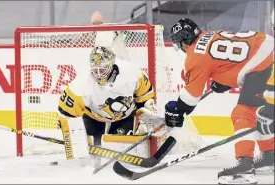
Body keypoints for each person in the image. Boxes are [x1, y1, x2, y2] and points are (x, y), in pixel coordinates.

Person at [164, 18, 274, 184]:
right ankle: (270, 156)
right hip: (267, 49)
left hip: (263, 63)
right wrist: (224, 81)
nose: (180, 48)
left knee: (243, 113)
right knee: (257, 112)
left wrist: (177, 109)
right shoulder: (209, 35)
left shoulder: (195, 56)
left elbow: (190, 98)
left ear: (184, 41)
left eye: (179, 44)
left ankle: (245, 165)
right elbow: (233, 59)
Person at [57, 46, 155, 163]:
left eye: (102, 70)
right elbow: (65, 113)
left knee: (118, 151)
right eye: (95, 70)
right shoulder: (80, 86)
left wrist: (147, 118)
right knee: (92, 154)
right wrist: (72, 139)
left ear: (111, 65)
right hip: (95, 117)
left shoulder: (131, 73)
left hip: (125, 115)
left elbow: (145, 96)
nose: (98, 75)